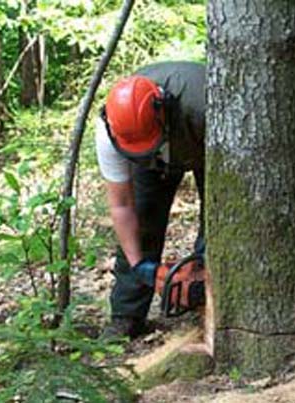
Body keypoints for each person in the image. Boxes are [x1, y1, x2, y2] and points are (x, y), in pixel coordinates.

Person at [95, 61, 205, 338]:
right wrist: (138, 264)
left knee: (220, 215)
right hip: (156, 158)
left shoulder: (203, 102)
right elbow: (122, 206)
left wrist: (206, 254)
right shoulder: (111, 131)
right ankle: (126, 316)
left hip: (204, 140)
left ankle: (210, 290)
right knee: (142, 218)